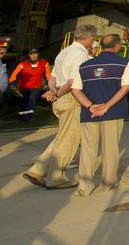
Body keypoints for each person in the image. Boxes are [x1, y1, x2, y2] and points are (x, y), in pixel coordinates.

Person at [25, 24, 96, 189]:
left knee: (62, 136)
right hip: (71, 99)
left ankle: (38, 169)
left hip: (60, 98)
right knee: (69, 139)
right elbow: (72, 83)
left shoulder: (64, 52)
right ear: (90, 38)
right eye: (93, 38)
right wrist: (57, 94)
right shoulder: (80, 55)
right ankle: (56, 177)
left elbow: (53, 77)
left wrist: (53, 92)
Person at [68, 33, 129, 196]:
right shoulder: (124, 63)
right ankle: (109, 183)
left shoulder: (84, 66)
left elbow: (75, 90)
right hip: (113, 114)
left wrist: (90, 107)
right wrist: (107, 106)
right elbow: (125, 88)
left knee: (88, 151)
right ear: (118, 47)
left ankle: (84, 187)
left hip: (89, 115)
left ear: (101, 46)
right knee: (110, 149)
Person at [9, 48, 50, 122]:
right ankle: (21, 117)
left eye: (35, 53)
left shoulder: (44, 63)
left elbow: (48, 75)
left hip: (36, 87)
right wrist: (13, 84)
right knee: (23, 102)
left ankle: (28, 117)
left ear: (38, 54)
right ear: (29, 55)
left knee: (32, 101)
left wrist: (47, 84)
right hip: (24, 87)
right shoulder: (22, 64)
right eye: (31, 54)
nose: (34, 55)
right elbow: (14, 75)